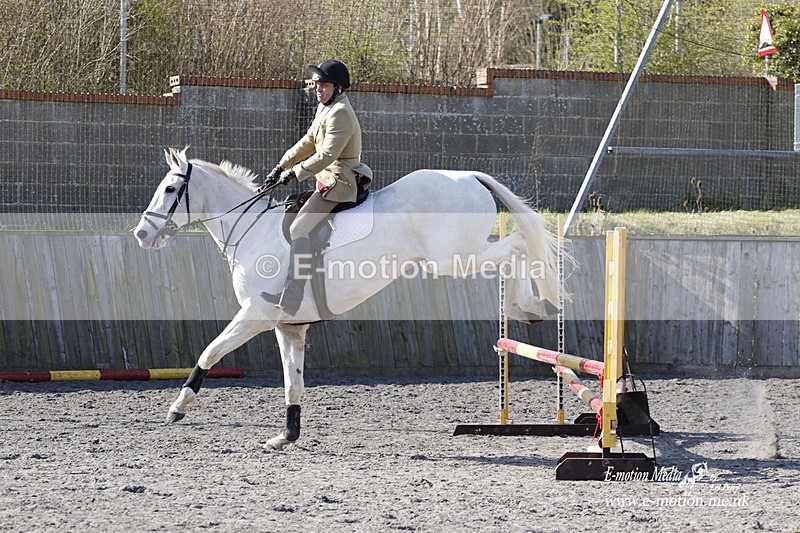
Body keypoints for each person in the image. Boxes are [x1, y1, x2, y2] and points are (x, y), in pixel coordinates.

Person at [260, 59, 373, 316]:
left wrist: (294, 173)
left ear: (339, 88)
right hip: (325, 177)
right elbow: (309, 140)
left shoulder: (341, 112)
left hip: (339, 181)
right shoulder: (325, 108)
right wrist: (280, 165)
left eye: (323, 84)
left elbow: (327, 155)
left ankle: (292, 296)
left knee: (300, 228)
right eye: (316, 84)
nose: (317, 88)